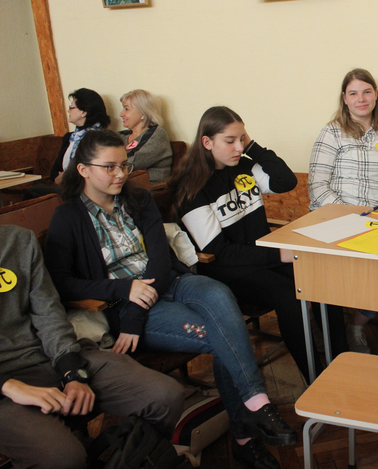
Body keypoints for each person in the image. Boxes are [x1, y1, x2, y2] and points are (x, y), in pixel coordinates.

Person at [44, 130, 295, 469]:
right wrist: (125, 293)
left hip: (170, 283)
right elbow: (61, 283)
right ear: (83, 170)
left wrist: (138, 306)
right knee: (222, 334)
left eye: (124, 165)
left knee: (219, 294)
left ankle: (256, 404)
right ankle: (246, 435)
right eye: (109, 167)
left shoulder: (138, 199)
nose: (120, 174)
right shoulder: (68, 217)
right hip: (123, 304)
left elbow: (160, 259)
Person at [170, 106, 345, 383]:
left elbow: (285, 181)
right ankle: (316, 378)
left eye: (242, 139)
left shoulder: (242, 167)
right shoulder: (192, 187)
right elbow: (219, 252)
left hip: (262, 256)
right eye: (230, 141)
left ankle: (341, 359)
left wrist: (253, 147)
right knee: (289, 294)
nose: (239, 147)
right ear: (207, 142)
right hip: (227, 269)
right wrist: (279, 254)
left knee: (319, 274)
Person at [0, 224, 184, 469]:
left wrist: (71, 370)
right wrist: (9, 386)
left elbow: (48, 313)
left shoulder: (19, 239)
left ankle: (137, 456)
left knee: (165, 396)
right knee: (63, 458)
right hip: (6, 386)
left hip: (47, 355)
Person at [308, 68, 378, 354]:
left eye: (366, 92)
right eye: (353, 93)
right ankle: (326, 333)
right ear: (344, 99)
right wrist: (353, 218)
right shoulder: (331, 133)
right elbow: (317, 187)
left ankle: (356, 326)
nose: (361, 99)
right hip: (336, 222)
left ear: (376, 95)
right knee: (333, 277)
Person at [24, 88, 111, 200]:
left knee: (33, 191)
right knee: (37, 190)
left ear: (84, 112)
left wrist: (66, 176)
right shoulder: (70, 138)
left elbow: (91, 169)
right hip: (65, 185)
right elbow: (54, 171)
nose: (68, 111)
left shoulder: (98, 138)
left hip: (83, 187)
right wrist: (59, 178)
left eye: (71, 107)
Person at [118, 89, 173, 183]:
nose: (121, 114)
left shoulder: (157, 135)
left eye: (126, 109)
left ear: (143, 113)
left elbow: (132, 162)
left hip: (148, 189)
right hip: (123, 185)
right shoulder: (122, 135)